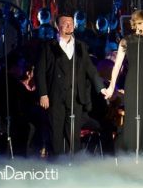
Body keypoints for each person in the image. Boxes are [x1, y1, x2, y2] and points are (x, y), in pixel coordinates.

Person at [36, 12, 105, 157]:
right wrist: (43, 94)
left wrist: (101, 87)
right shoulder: (48, 46)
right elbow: (40, 72)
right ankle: (57, 166)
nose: (69, 25)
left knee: (73, 135)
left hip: (75, 97)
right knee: (55, 133)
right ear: (57, 26)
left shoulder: (81, 46)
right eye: (65, 22)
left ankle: (74, 167)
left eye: (71, 22)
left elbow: (90, 69)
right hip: (55, 97)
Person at [103, 10, 143, 154]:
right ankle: (131, 152)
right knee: (132, 118)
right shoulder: (126, 41)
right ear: (138, 25)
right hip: (132, 83)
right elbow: (117, 66)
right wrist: (111, 86)